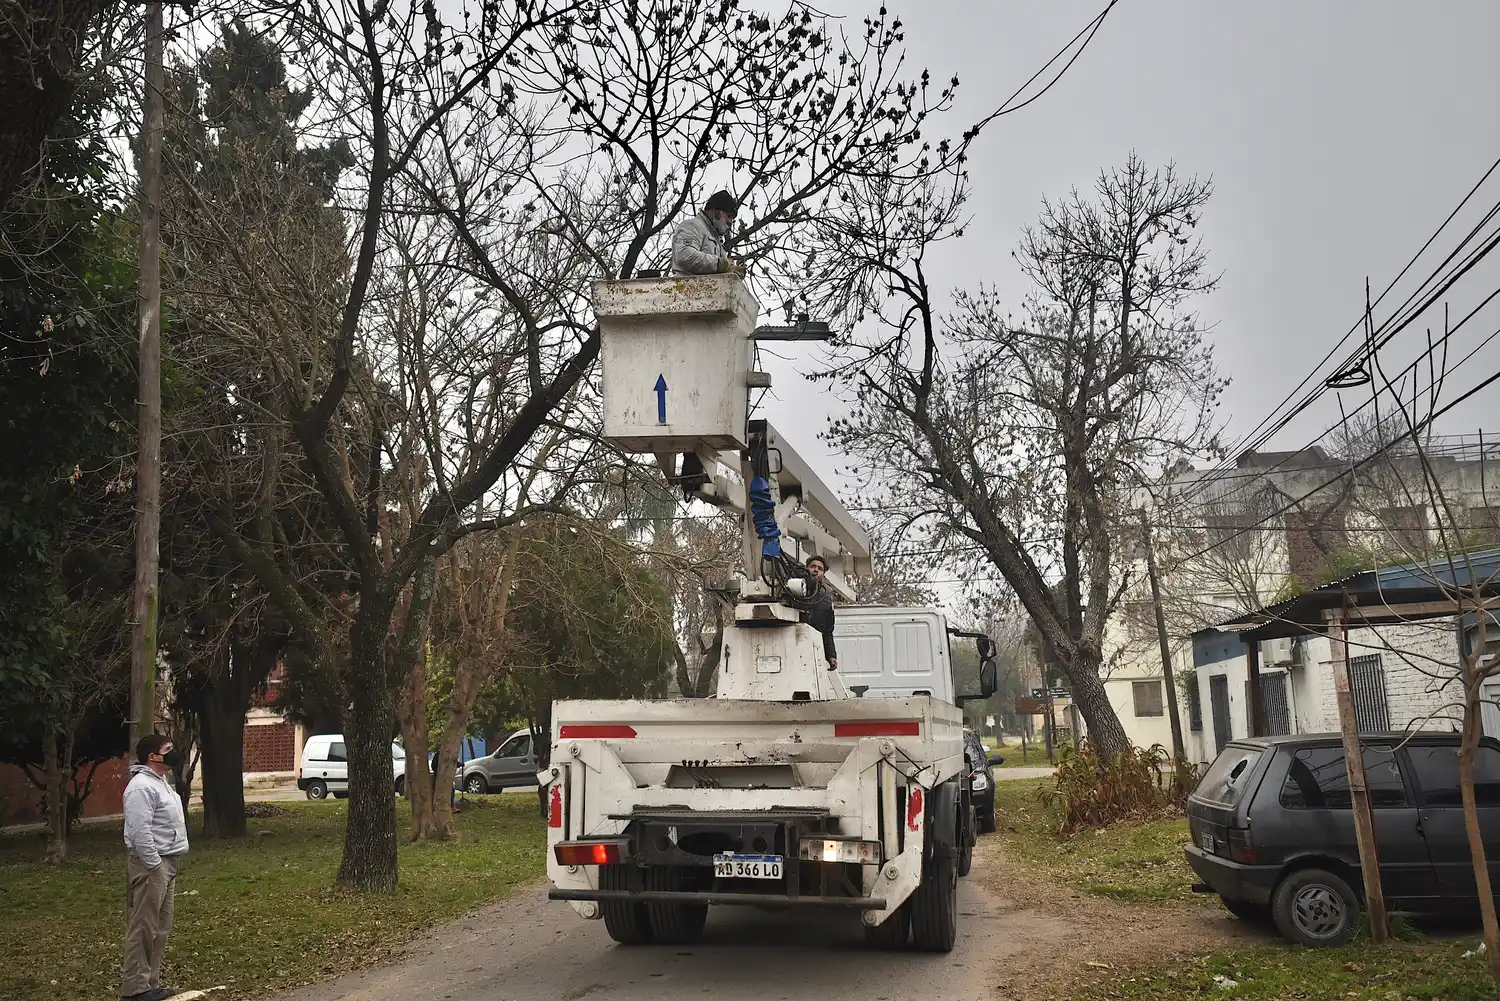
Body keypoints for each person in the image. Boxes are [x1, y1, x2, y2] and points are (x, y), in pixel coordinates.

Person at [121, 733, 188, 1001]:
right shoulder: (140, 787)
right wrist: (154, 864)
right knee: (143, 927)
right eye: (167, 749)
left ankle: (149, 984)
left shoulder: (161, 783)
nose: (173, 753)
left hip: (168, 863)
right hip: (152, 865)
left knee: (160, 927)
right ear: (153, 756)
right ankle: (134, 989)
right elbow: (139, 833)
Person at [671, 190, 738, 275]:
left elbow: (718, 271)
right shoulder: (693, 226)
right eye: (729, 216)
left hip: (705, 287)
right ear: (716, 212)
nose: (730, 222)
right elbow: (685, 255)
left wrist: (732, 272)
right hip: (686, 286)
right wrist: (718, 264)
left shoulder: (717, 241)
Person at [801, 555, 838, 670]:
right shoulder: (793, 590)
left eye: (820, 568)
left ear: (823, 575)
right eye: (813, 566)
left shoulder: (826, 599)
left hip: (815, 651)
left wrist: (831, 655)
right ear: (806, 569)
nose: (816, 570)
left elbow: (827, 632)